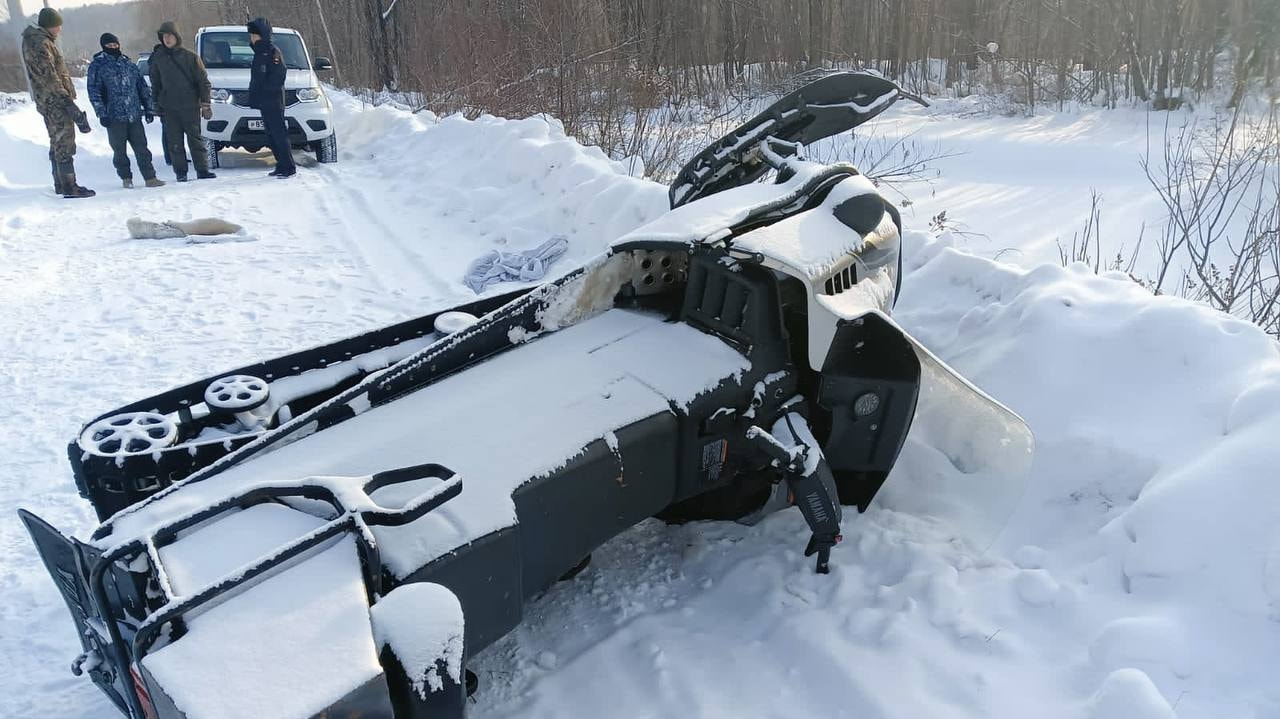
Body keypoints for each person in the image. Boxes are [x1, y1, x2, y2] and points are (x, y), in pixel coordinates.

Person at [20, 8, 94, 198]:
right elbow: (50, 76)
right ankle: (70, 187)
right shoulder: (40, 43)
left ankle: (62, 185)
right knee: (64, 142)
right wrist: (67, 101)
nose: (60, 29)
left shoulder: (38, 41)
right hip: (55, 101)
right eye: (58, 25)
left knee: (57, 141)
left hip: (50, 99)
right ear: (50, 26)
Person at [87, 33, 164, 189]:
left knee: (142, 148)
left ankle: (150, 177)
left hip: (134, 114)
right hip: (114, 117)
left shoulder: (128, 64)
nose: (113, 48)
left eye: (115, 45)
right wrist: (101, 113)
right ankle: (126, 178)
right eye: (109, 46)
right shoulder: (98, 66)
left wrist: (149, 109)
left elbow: (142, 88)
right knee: (119, 151)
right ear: (103, 46)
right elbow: (93, 91)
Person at [148, 21, 215, 182]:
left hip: (190, 106)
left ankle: (202, 170)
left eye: (170, 35)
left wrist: (205, 104)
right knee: (175, 143)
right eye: (164, 36)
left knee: (196, 140)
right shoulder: (158, 59)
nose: (167, 39)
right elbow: (155, 84)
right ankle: (181, 173)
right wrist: (156, 104)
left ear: (177, 36)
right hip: (170, 108)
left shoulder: (190, 57)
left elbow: (203, 82)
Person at [247, 17, 295, 178]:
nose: (252, 38)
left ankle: (288, 166)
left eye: (254, 35)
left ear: (262, 35)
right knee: (271, 135)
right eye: (251, 35)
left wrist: (265, 92)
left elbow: (279, 75)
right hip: (264, 102)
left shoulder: (273, 51)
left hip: (273, 101)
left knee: (279, 134)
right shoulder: (259, 53)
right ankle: (280, 164)